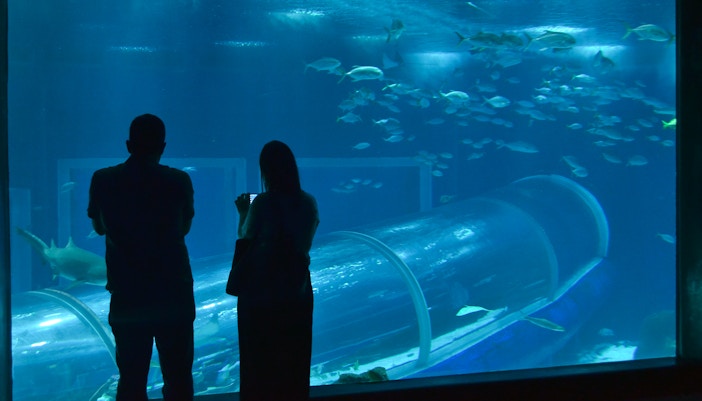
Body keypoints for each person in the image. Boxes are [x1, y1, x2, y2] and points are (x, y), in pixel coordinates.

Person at [87, 113, 196, 401]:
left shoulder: (103, 180)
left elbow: (99, 227)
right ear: (163, 146)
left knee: (131, 380)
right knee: (179, 378)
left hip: (128, 294)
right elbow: (183, 228)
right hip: (173, 294)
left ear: (128, 145)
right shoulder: (178, 181)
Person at [234, 140, 319, 401]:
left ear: (266, 170)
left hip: (261, 294)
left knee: (259, 362)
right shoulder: (308, 202)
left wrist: (243, 212)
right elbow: (305, 243)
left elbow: (245, 238)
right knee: (294, 360)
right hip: (297, 291)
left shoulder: (262, 203)